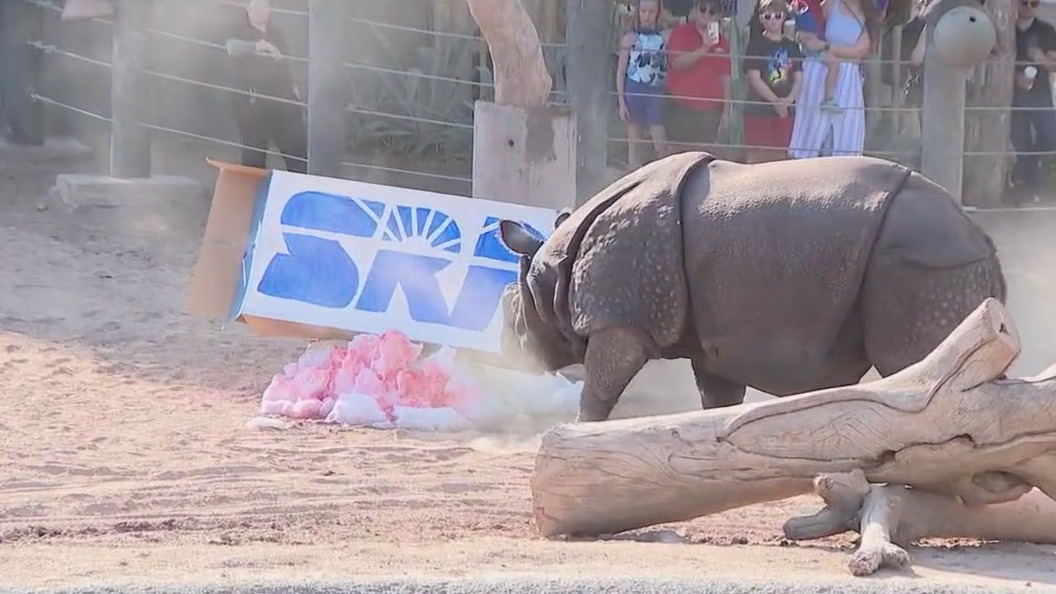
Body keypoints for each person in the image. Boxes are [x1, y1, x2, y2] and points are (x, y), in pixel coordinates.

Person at [787, 0, 880, 158]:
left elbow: (858, 50)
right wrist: (805, 37)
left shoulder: (868, 14)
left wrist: (824, 46)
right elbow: (812, 24)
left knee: (842, 134)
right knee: (812, 130)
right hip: (818, 73)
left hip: (847, 80)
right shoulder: (831, 4)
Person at [224, 0, 308, 173]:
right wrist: (260, 45)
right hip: (253, 102)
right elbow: (231, 47)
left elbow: (286, 63)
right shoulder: (238, 30)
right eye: (255, 6)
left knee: (297, 152)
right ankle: (252, 196)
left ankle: (298, 192)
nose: (259, 11)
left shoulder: (278, 33)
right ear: (247, 8)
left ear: (270, 10)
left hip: (282, 99)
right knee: (254, 156)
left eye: (264, 7)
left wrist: (294, 88)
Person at [664, 0, 732, 154]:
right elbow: (676, 63)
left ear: (718, 16)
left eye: (712, 11)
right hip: (680, 106)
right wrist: (704, 48)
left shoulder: (723, 42)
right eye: (703, 9)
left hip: (711, 110)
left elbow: (725, 76)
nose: (707, 14)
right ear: (695, 10)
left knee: (703, 156)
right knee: (676, 155)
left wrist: (727, 110)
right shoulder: (681, 32)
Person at [743, 0, 804, 163]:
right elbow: (754, 78)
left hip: (785, 112)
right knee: (757, 159)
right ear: (761, 18)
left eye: (777, 16)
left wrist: (788, 101)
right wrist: (776, 102)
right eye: (768, 16)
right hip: (759, 111)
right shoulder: (756, 43)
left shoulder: (791, 46)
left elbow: (799, 77)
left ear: (784, 17)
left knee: (780, 159)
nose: (773, 20)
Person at [1009, 0, 1056, 204]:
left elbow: (1053, 65)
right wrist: (1014, 78)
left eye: (1034, 3)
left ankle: (1028, 178)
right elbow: (993, 64)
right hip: (1013, 98)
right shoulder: (1006, 31)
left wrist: (1039, 57)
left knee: (1050, 137)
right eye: (1024, 2)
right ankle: (1026, 186)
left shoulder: (1045, 30)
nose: (1028, 7)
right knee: (1021, 143)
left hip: (1040, 96)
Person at [617, 0, 671, 170]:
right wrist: (621, 102)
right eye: (644, 11)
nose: (647, 15)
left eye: (651, 11)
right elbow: (620, 72)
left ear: (657, 13)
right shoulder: (630, 38)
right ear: (638, 12)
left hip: (655, 92)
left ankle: (664, 176)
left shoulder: (665, 37)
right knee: (634, 144)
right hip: (633, 91)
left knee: (659, 141)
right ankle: (633, 179)